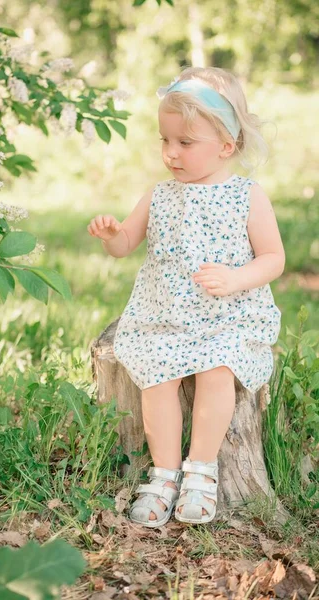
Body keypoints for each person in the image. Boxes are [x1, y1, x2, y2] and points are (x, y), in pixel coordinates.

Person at [87, 66, 285, 527]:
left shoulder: (247, 196)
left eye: (185, 143)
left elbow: (273, 258)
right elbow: (123, 248)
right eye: (165, 140)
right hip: (165, 313)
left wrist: (237, 278)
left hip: (227, 315)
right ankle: (164, 474)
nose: (170, 153)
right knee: (156, 377)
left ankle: (201, 470)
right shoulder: (158, 195)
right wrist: (111, 235)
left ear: (226, 145)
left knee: (217, 370)